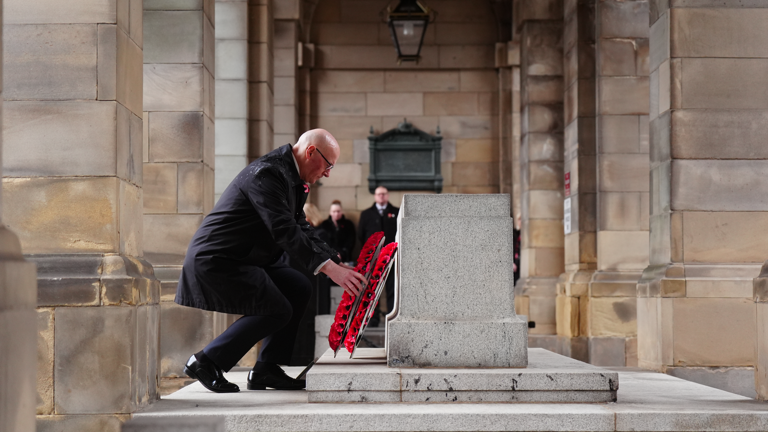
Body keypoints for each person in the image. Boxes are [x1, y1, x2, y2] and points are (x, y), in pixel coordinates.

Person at [175, 129, 366, 393]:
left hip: (250, 257)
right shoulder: (268, 172)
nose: (328, 173)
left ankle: (266, 369)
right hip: (220, 258)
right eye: (328, 165)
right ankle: (205, 361)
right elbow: (283, 230)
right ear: (311, 152)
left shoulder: (293, 177)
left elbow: (300, 225)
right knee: (277, 309)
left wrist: (334, 262)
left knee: (299, 287)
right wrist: (331, 270)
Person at [357, 186, 399, 325]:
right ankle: (372, 319)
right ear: (375, 196)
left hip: (392, 255)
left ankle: (392, 316)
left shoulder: (396, 212)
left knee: (392, 286)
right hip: (373, 258)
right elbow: (361, 235)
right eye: (379, 194)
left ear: (387, 195)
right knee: (372, 287)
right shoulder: (366, 214)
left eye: (384, 194)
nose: (381, 196)